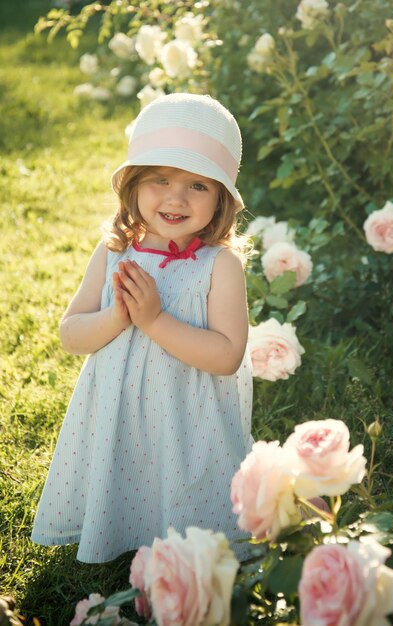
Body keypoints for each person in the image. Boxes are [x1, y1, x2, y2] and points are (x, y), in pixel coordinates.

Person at [31, 93, 253, 563]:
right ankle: (119, 527)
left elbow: (227, 354)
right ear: (133, 184)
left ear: (220, 201)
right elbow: (70, 334)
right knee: (127, 468)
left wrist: (154, 320)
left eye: (198, 185)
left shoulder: (220, 266)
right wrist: (117, 316)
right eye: (161, 179)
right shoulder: (115, 253)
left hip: (189, 415)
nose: (175, 197)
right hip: (118, 413)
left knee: (185, 485)